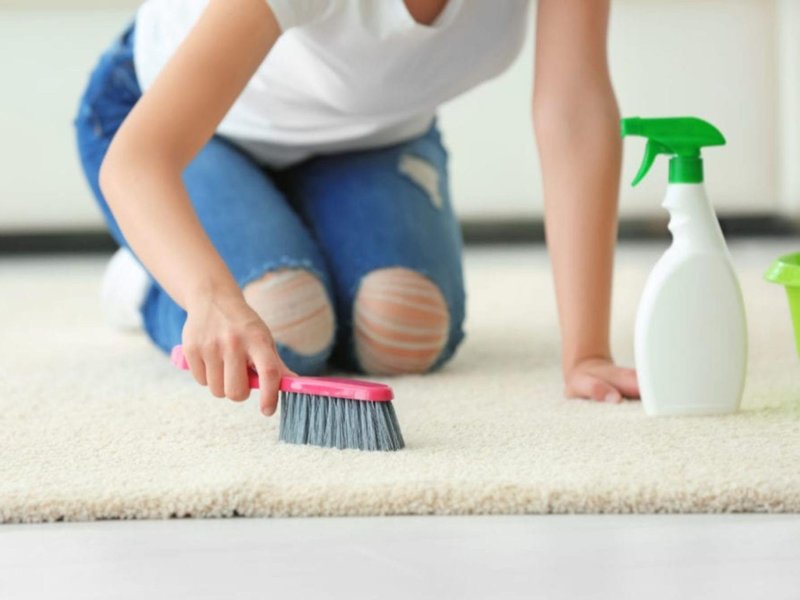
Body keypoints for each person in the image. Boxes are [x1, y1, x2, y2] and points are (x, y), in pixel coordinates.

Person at [74, 0, 640, 417]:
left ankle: (280, 234)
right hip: (188, 129)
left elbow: (574, 108)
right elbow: (139, 162)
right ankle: (149, 279)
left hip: (369, 139)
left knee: (403, 327)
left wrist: (586, 352)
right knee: (285, 320)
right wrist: (210, 294)